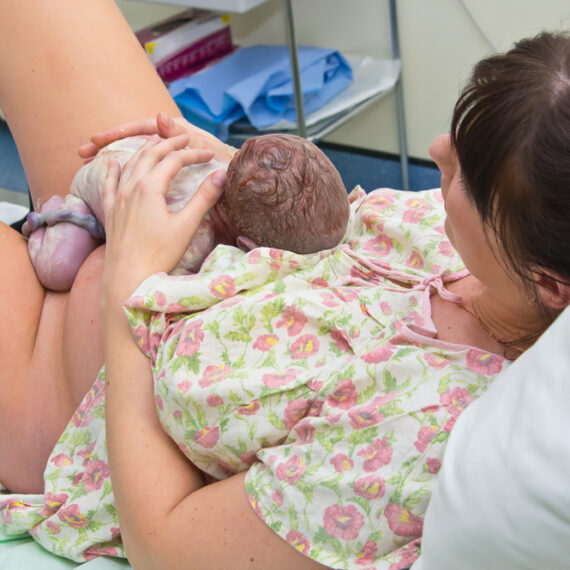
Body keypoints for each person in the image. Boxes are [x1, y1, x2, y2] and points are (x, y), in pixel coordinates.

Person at [0, 0, 569, 566]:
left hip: (72, 395)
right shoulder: (491, 236)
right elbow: (341, 234)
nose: (437, 152)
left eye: (466, 173)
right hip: (157, 215)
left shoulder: (411, 447)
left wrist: (130, 280)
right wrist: (234, 176)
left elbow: (164, 546)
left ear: (550, 288)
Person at [23, 131, 350, 291]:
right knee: (59, 270)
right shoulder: (192, 240)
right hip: (103, 178)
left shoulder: (229, 168)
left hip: (141, 152)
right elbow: (147, 292)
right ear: (249, 248)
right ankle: (57, 214)